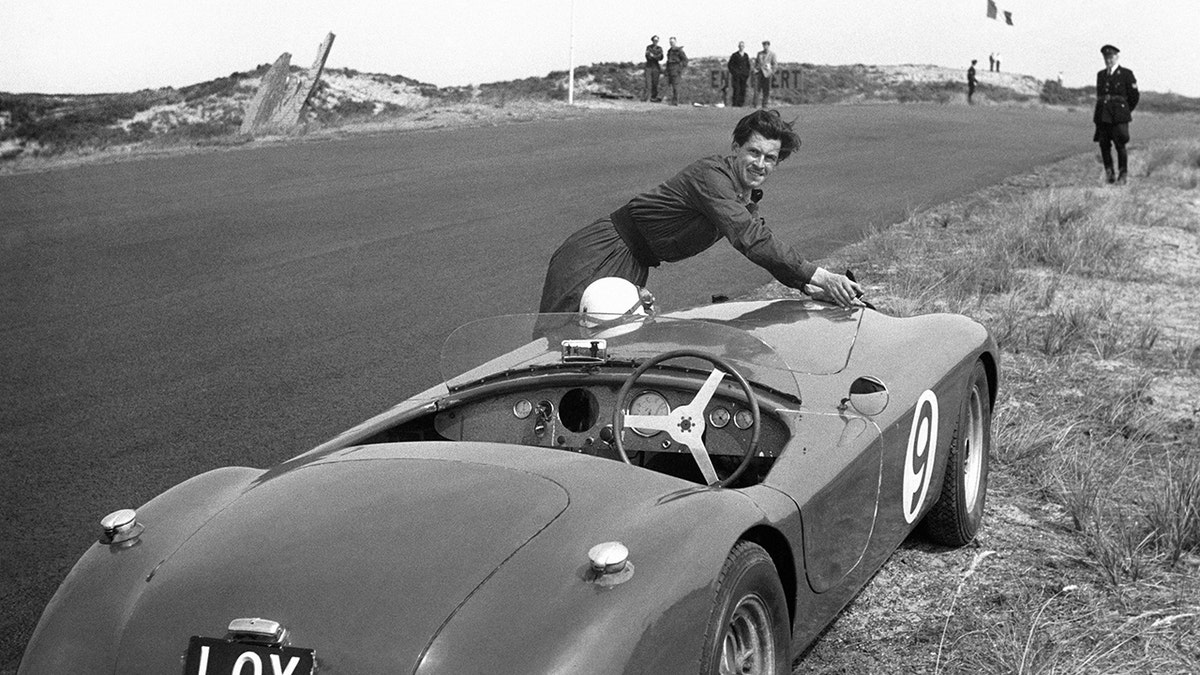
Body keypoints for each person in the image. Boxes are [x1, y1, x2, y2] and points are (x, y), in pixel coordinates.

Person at [537, 109, 863, 318]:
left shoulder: (744, 199)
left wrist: (812, 289)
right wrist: (824, 276)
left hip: (634, 264)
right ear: (736, 148)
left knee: (608, 348)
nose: (760, 164)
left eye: (770, 158)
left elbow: (763, 243)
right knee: (556, 345)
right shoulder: (710, 176)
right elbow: (751, 239)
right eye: (753, 152)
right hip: (599, 251)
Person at [1093, 44, 1139, 185]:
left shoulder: (1126, 74)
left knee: (1120, 145)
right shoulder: (1101, 75)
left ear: (1117, 57)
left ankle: (1123, 175)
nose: (1108, 60)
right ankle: (1110, 174)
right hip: (1103, 116)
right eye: (1106, 57)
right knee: (1104, 145)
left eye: (1111, 57)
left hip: (1119, 116)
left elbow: (1134, 96)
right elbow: (1100, 95)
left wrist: (1125, 111)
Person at [754, 41, 777, 108]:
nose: (765, 47)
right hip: (759, 73)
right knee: (757, 89)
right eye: (764, 45)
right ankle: (756, 104)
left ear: (769, 46)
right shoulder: (759, 54)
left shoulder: (772, 54)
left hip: (768, 74)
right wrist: (756, 69)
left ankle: (765, 104)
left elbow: (775, 64)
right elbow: (756, 62)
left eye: (766, 45)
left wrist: (772, 72)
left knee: (766, 90)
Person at [727, 41, 752, 107]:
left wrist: (747, 73)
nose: (741, 47)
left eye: (742, 46)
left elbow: (748, 65)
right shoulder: (734, 55)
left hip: (744, 76)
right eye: (740, 46)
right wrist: (734, 72)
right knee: (736, 89)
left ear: (744, 47)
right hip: (736, 76)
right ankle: (735, 104)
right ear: (738, 47)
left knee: (743, 90)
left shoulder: (746, 55)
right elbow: (730, 65)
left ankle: (741, 104)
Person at [665, 37, 688, 105]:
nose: (671, 43)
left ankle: (675, 101)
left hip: (676, 69)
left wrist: (680, 68)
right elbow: (668, 61)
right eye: (670, 42)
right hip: (670, 69)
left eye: (673, 42)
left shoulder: (679, 50)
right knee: (669, 86)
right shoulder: (669, 51)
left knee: (675, 86)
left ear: (675, 42)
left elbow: (685, 60)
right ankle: (670, 100)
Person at [643, 36, 663, 102]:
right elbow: (648, 56)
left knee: (655, 83)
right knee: (648, 83)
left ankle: (653, 98)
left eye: (657, 40)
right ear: (652, 40)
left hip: (656, 67)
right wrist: (655, 56)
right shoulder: (648, 47)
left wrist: (653, 56)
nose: (656, 41)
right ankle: (647, 98)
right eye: (654, 40)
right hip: (649, 66)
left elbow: (660, 57)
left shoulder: (660, 48)